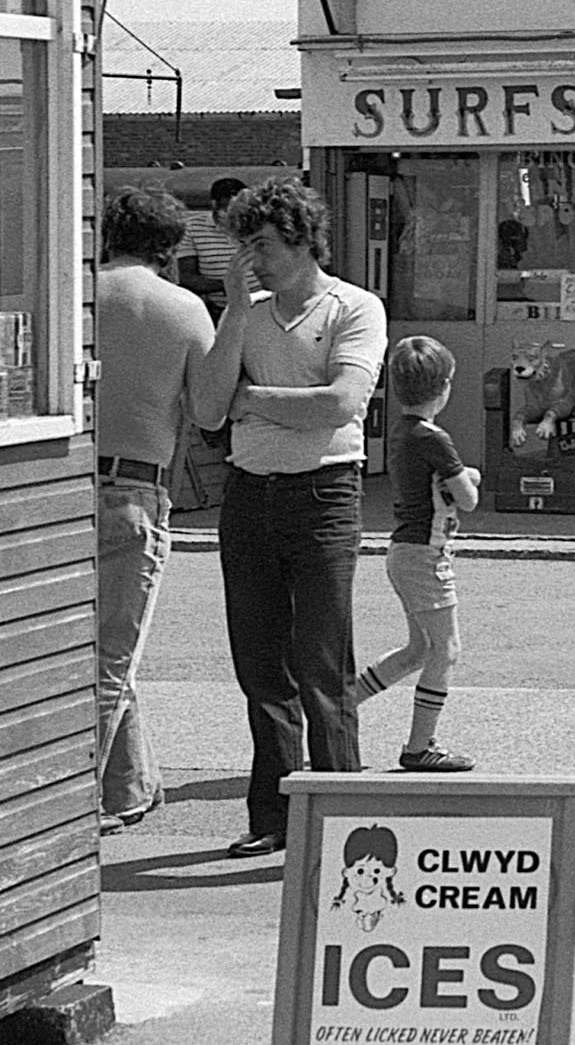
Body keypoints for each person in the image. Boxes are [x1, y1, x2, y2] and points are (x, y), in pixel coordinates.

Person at [208, 175, 387, 858]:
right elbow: (205, 409)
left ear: (300, 238)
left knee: (321, 663)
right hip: (250, 493)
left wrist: (251, 398)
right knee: (261, 667)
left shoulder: (354, 307)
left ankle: (345, 818)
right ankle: (275, 816)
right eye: (243, 243)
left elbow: (340, 402)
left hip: (324, 494)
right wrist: (229, 312)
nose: (252, 256)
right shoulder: (245, 315)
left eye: (261, 242)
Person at [94, 186, 218, 835]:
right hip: (136, 490)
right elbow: (212, 411)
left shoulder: (79, 293)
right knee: (114, 651)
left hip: (63, 490)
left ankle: (130, 785)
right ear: (169, 248)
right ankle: (79, 799)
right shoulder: (184, 308)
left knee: (107, 644)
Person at [355, 336, 482, 773]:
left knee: (417, 650)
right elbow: (467, 500)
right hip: (425, 555)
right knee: (445, 649)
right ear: (444, 387)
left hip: (404, 550)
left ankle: (339, 710)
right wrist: (468, 478)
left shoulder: (402, 433)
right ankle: (419, 746)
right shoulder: (435, 438)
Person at [178, 176, 246, 317]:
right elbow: (186, 276)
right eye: (229, 210)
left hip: (260, 306)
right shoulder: (192, 228)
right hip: (216, 311)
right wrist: (226, 285)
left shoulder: (257, 224)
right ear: (215, 204)